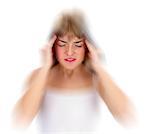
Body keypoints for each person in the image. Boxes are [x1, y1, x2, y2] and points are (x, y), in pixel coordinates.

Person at [12, 9, 136, 132]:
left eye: (77, 44)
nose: (70, 52)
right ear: (53, 46)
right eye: (62, 44)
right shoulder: (39, 76)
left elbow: (127, 116)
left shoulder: (96, 78)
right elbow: (21, 120)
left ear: (87, 47)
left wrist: (98, 67)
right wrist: (45, 67)